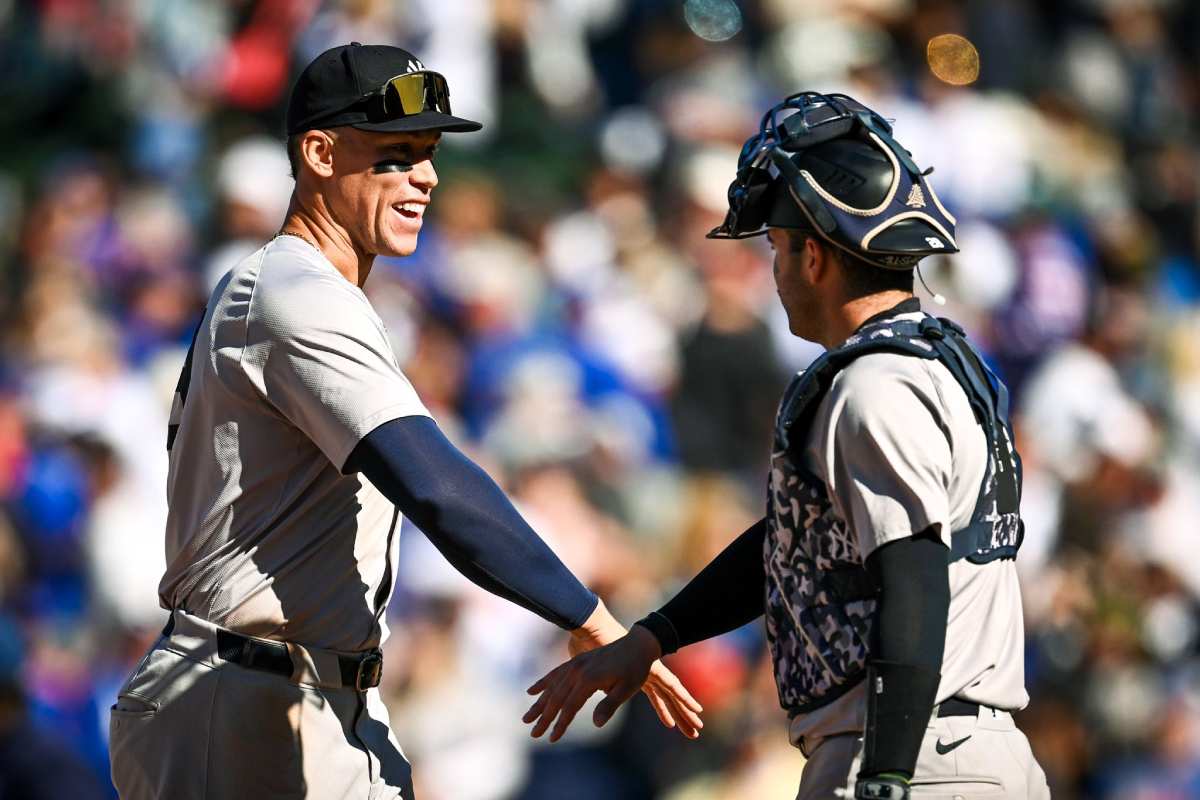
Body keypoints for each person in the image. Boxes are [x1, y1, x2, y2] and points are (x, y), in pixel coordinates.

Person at [107, 43, 700, 800]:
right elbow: (434, 485)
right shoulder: (294, 289)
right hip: (242, 695)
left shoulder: (310, 290)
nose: (426, 175)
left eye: (428, 152)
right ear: (319, 153)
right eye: (394, 154)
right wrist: (589, 617)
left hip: (306, 693)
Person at [523, 92, 1050, 800]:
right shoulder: (934, 363)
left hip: (913, 755)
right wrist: (654, 637)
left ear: (814, 257)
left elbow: (913, 576)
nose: (771, 271)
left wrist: (888, 777)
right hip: (953, 750)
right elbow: (793, 545)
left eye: (775, 246)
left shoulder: (873, 387)